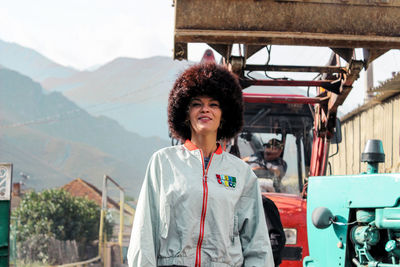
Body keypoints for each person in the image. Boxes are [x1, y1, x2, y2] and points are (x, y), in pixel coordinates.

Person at [127, 63, 274, 267]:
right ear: (186, 114)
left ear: (223, 116)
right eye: (197, 103)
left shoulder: (241, 174)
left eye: (214, 104)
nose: (205, 109)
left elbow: (257, 245)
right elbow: (144, 233)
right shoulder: (163, 163)